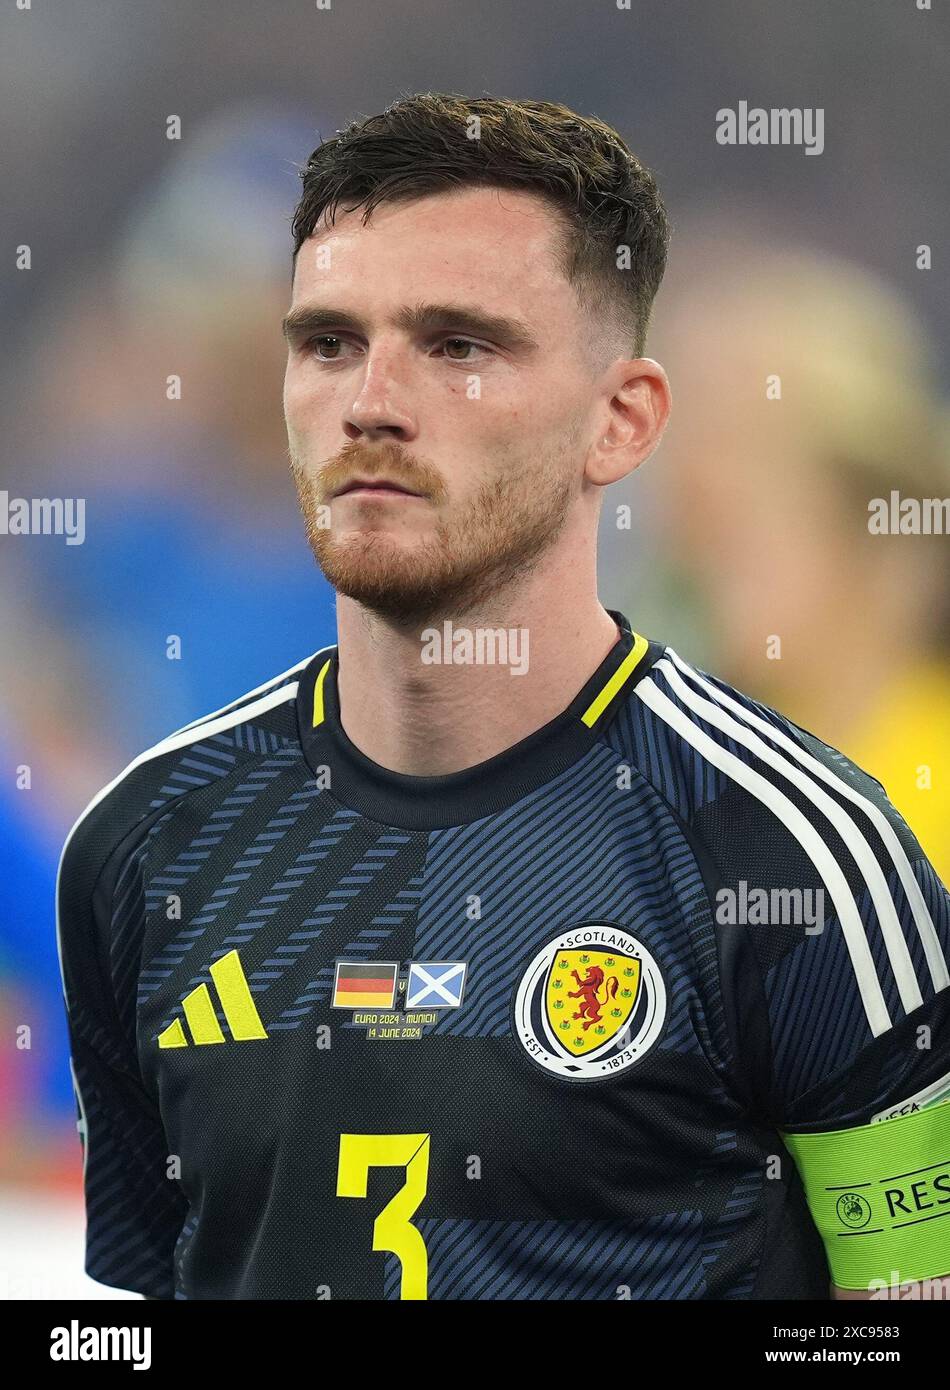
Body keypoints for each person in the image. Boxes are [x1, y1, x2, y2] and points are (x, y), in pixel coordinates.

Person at [56, 93, 950, 1301]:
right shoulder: (143, 845)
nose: (369, 400)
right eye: (326, 342)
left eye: (458, 346)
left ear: (620, 420)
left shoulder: (795, 857)